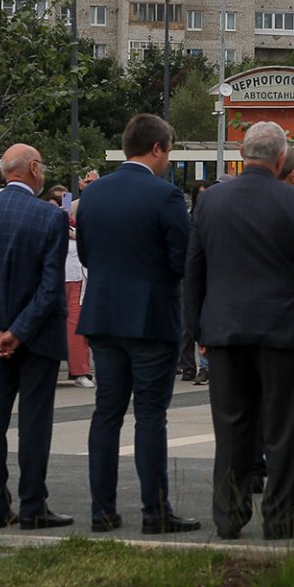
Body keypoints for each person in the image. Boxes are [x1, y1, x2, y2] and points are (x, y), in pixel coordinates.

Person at [185, 121, 294, 541]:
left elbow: (194, 271)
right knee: (283, 428)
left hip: (225, 330)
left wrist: (199, 329)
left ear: (242, 153)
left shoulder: (210, 202)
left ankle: (229, 516)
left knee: (231, 426)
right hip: (281, 330)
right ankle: (281, 517)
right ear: (281, 159)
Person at [76, 114, 198, 535]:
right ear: (159, 148)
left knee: (106, 414)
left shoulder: (92, 195)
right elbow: (181, 259)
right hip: (150, 318)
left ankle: (102, 510)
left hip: (104, 316)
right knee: (150, 416)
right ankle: (154, 511)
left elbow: (88, 254)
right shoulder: (165, 196)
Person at [0, 145, 74, 530]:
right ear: (35, 168)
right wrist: (18, 332)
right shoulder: (49, 217)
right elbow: (49, 286)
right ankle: (32, 506)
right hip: (36, 337)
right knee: (34, 423)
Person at [61, 200, 92, 387]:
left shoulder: (83, 232)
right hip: (58, 280)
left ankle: (80, 371)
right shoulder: (57, 228)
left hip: (78, 280)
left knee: (76, 328)